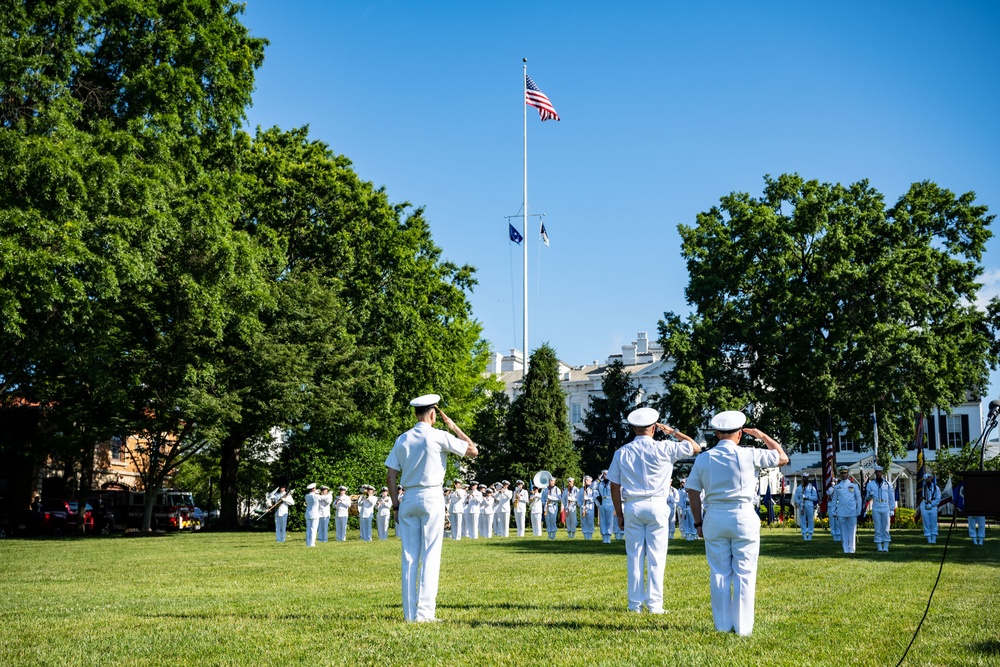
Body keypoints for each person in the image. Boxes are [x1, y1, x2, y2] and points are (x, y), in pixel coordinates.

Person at [686, 410, 788, 636]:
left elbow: (692, 490)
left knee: (719, 573)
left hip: (714, 515)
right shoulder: (750, 454)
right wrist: (763, 436)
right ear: (740, 434)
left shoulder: (704, 458)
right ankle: (743, 628)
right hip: (743, 515)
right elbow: (782, 457)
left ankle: (722, 626)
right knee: (745, 573)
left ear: (716, 433)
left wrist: (698, 522)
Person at [385, 393, 478, 623]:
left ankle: (409, 614)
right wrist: (454, 426)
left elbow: (391, 475)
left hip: (408, 497)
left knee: (409, 557)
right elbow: (472, 450)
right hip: (431, 495)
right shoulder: (438, 435)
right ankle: (425, 614)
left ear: (416, 413)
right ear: (434, 414)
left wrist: (395, 506)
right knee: (430, 555)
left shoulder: (402, 438)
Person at [609, 407, 700, 614]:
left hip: (632, 504)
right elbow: (694, 447)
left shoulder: (621, 452)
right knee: (657, 557)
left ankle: (634, 605)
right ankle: (655, 604)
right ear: (653, 428)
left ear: (633, 428)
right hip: (658, 504)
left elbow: (614, 484)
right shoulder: (665, 447)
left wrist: (620, 513)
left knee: (634, 556)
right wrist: (673, 432)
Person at [830, 466, 862, 554]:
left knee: (852, 530)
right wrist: (833, 511)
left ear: (848, 473)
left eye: (845, 473)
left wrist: (858, 510)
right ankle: (845, 549)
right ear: (840, 474)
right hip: (841, 511)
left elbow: (858, 498)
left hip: (852, 511)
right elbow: (834, 499)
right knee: (843, 531)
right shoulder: (837, 487)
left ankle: (852, 548)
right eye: (842, 473)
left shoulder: (854, 485)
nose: (843, 475)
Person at [865, 465, 896, 552]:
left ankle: (886, 546)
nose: (878, 474)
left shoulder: (888, 484)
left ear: (882, 473)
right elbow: (867, 498)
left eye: (880, 472)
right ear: (875, 473)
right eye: (877, 472)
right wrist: (869, 495)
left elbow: (891, 497)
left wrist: (892, 509)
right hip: (876, 506)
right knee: (877, 528)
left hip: (885, 506)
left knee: (886, 527)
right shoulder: (870, 484)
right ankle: (879, 546)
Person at [793, 474, 818, 541]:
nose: (804, 479)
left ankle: (810, 534)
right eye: (803, 478)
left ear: (808, 478)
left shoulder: (812, 487)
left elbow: (815, 498)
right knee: (802, 520)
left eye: (806, 478)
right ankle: (804, 534)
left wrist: (807, 497)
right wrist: (799, 502)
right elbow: (796, 498)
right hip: (802, 506)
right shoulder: (799, 488)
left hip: (809, 505)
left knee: (810, 520)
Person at [918, 473, 940, 544]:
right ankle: (929, 539)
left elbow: (938, 498)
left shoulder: (936, 488)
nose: (928, 479)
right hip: (924, 505)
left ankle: (934, 539)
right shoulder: (923, 487)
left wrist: (932, 504)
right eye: (926, 477)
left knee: (933, 522)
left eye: (929, 477)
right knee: (926, 522)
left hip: (933, 506)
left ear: (932, 478)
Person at [596, 470, 615, 543]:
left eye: (606, 474)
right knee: (603, 520)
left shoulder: (611, 483)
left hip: (610, 502)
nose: (605, 475)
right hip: (602, 502)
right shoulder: (600, 483)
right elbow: (592, 486)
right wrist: (598, 478)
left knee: (609, 520)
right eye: (603, 474)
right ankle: (604, 537)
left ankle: (609, 537)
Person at [579, 476, 597, 540]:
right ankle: (585, 535)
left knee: (590, 521)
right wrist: (581, 505)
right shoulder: (581, 489)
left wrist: (588, 498)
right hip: (583, 507)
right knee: (584, 521)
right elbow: (578, 499)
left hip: (590, 506)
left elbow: (595, 498)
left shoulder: (592, 489)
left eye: (589, 481)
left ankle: (590, 535)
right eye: (587, 480)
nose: (589, 482)